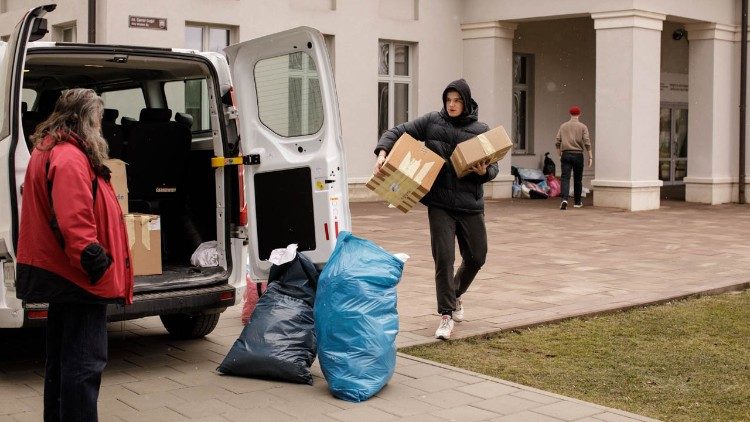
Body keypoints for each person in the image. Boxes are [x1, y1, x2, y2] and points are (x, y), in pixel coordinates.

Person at [15, 88, 134, 421]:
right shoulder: (69, 155)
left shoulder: (53, 148)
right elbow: (74, 217)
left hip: (63, 272)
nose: (100, 125)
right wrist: (93, 258)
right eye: (97, 118)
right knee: (84, 364)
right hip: (79, 277)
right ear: (84, 118)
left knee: (62, 361)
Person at [374, 79, 498, 340]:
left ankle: (455, 294)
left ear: (466, 102)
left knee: (477, 256)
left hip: (470, 205)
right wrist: (383, 153)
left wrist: (485, 171)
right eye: (448, 100)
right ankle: (445, 316)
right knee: (444, 258)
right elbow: (398, 131)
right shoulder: (432, 122)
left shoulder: (481, 130)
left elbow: (494, 168)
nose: (451, 105)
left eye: (457, 101)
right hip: (440, 204)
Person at [555, 105, 593, 210]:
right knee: (578, 179)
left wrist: (559, 154)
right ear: (579, 114)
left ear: (570, 114)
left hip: (566, 154)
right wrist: (590, 156)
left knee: (565, 178)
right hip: (578, 155)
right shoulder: (583, 127)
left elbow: (557, 142)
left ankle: (564, 199)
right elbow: (587, 142)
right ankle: (577, 202)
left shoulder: (563, 126)